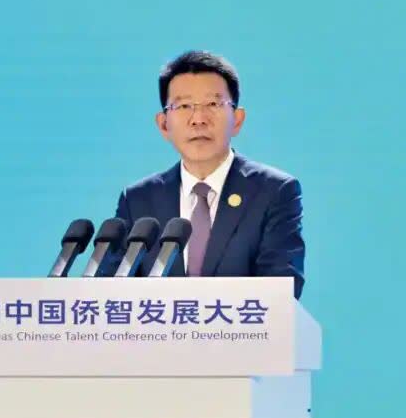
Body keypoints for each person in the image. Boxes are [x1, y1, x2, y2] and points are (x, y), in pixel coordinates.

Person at [108, 50, 305, 298]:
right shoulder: (138, 200)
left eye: (213, 104)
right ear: (164, 124)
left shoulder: (274, 191)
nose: (198, 119)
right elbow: (112, 295)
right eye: (184, 106)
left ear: (237, 120)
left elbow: (281, 291)